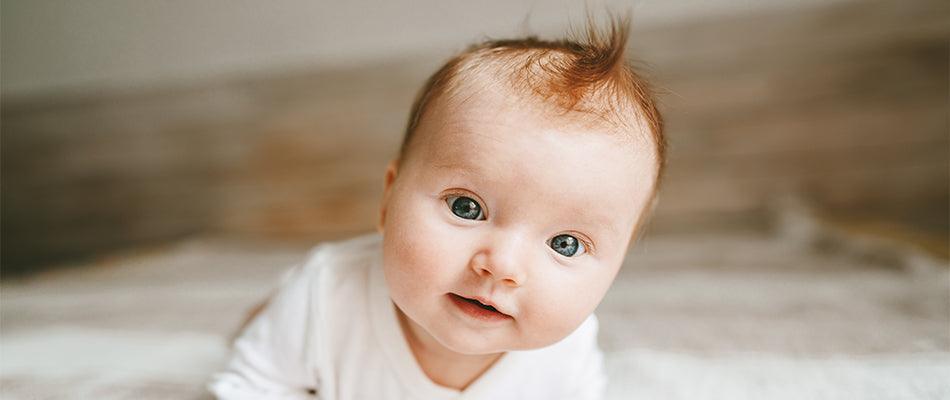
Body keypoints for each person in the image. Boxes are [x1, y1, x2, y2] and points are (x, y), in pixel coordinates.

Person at [209, 15, 665, 399]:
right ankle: (263, 317)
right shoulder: (325, 297)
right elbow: (249, 386)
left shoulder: (567, 353)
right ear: (389, 199)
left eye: (565, 244)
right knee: (273, 332)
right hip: (308, 310)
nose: (502, 266)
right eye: (467, 207)